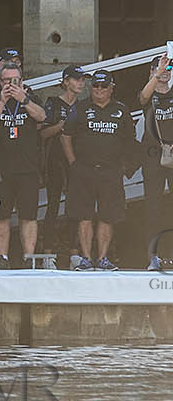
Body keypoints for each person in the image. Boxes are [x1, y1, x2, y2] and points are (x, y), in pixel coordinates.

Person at [61, 71, 136, 271]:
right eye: (96, 86)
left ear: (112, 87)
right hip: (83, 169)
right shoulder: (80, 107)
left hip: (111, 171)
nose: (99, 90)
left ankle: (102, 258)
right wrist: (73, 163)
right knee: (84, 215)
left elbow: (131, 140)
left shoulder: (121, 110)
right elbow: (65, 136)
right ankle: (86, 258)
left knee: (107, 216)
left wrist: (124, 166)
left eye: (104, 86)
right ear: (91, 88)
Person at [0, 60, 48, 269]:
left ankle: (29, 259)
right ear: (0, 81)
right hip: (1, 169)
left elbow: (42, 116)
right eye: (6, 80)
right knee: (2, 216)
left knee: (28, 215)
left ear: (22, 80)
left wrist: (24, 100)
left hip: (27, 168)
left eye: (14, 80)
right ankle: (3, 258)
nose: (10, 84)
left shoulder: (30, 95)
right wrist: (2, 102)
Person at [39, 65, 88, 266]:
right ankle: (48, 254)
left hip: (78, 161)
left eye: (82, 79)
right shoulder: (52, 103)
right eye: (76, 79)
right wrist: (62, 126)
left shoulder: (84, 106)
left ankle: (74, 253)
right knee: (52, 206)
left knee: (76, 207)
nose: (80, 83)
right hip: (55, 161)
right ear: (66, 81)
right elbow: (41, 134)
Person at [138, 54, 173, 269]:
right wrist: (157, 73)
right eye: (160, 69)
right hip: (152, 157)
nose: (165, 71)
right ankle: (153, 256)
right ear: (152, 71)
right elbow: (142, 98)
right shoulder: (149, 95)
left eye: (169, 68)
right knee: (153, 207)